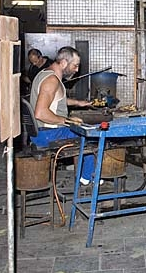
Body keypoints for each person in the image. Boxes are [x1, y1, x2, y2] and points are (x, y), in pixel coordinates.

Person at [29, 46, 97, 185]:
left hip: (41, 132)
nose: (77, 70)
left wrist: (78, 103)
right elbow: (40, 113)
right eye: (75, 66)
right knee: (91, 137)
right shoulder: (52, 81)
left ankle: (84, 176)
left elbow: (54, 98)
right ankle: (86, 179)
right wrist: (68, 121)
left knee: (82, 131)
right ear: (64, 63)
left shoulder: (45, 73)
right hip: (48, 134)